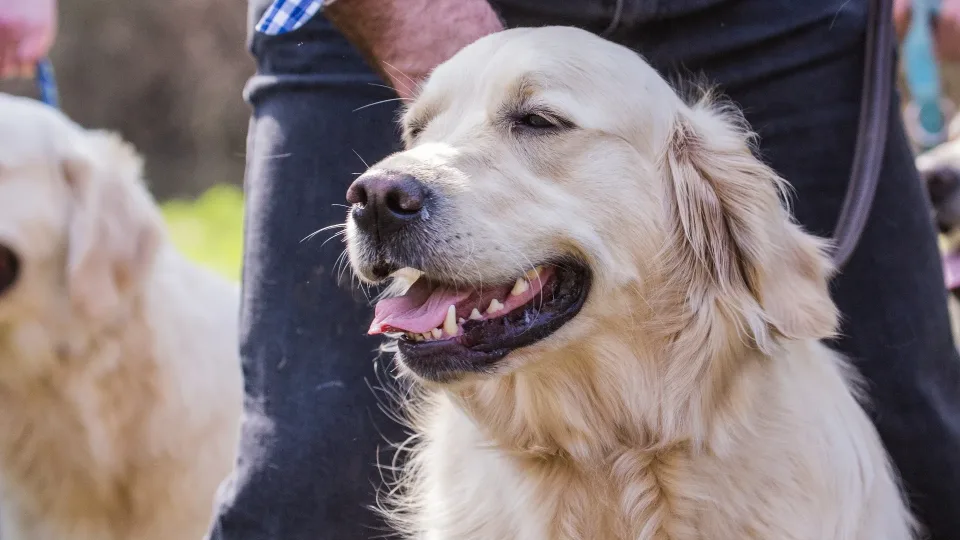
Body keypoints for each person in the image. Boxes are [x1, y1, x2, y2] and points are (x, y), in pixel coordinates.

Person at [207, 0, 960, 539]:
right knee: (305, 480)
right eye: (419, 129)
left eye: (537, 122)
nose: (391, 175)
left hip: (778, 14)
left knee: (926, 434)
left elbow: (800, 301)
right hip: (370, 9)